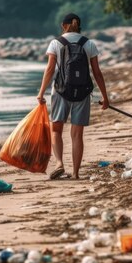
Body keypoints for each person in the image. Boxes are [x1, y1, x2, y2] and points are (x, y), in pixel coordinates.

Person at [37, 13, 109, 180]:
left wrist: (41, 93)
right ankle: (76, 173)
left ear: (64, 26)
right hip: (82, 92)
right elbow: (97, 73)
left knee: (56, 130)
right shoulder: (88, 43)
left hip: (61, 91)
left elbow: (49, 69)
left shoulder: (56, 43)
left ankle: (59, 163)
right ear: (79, 25)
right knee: (77, 134)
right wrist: (105, 97)